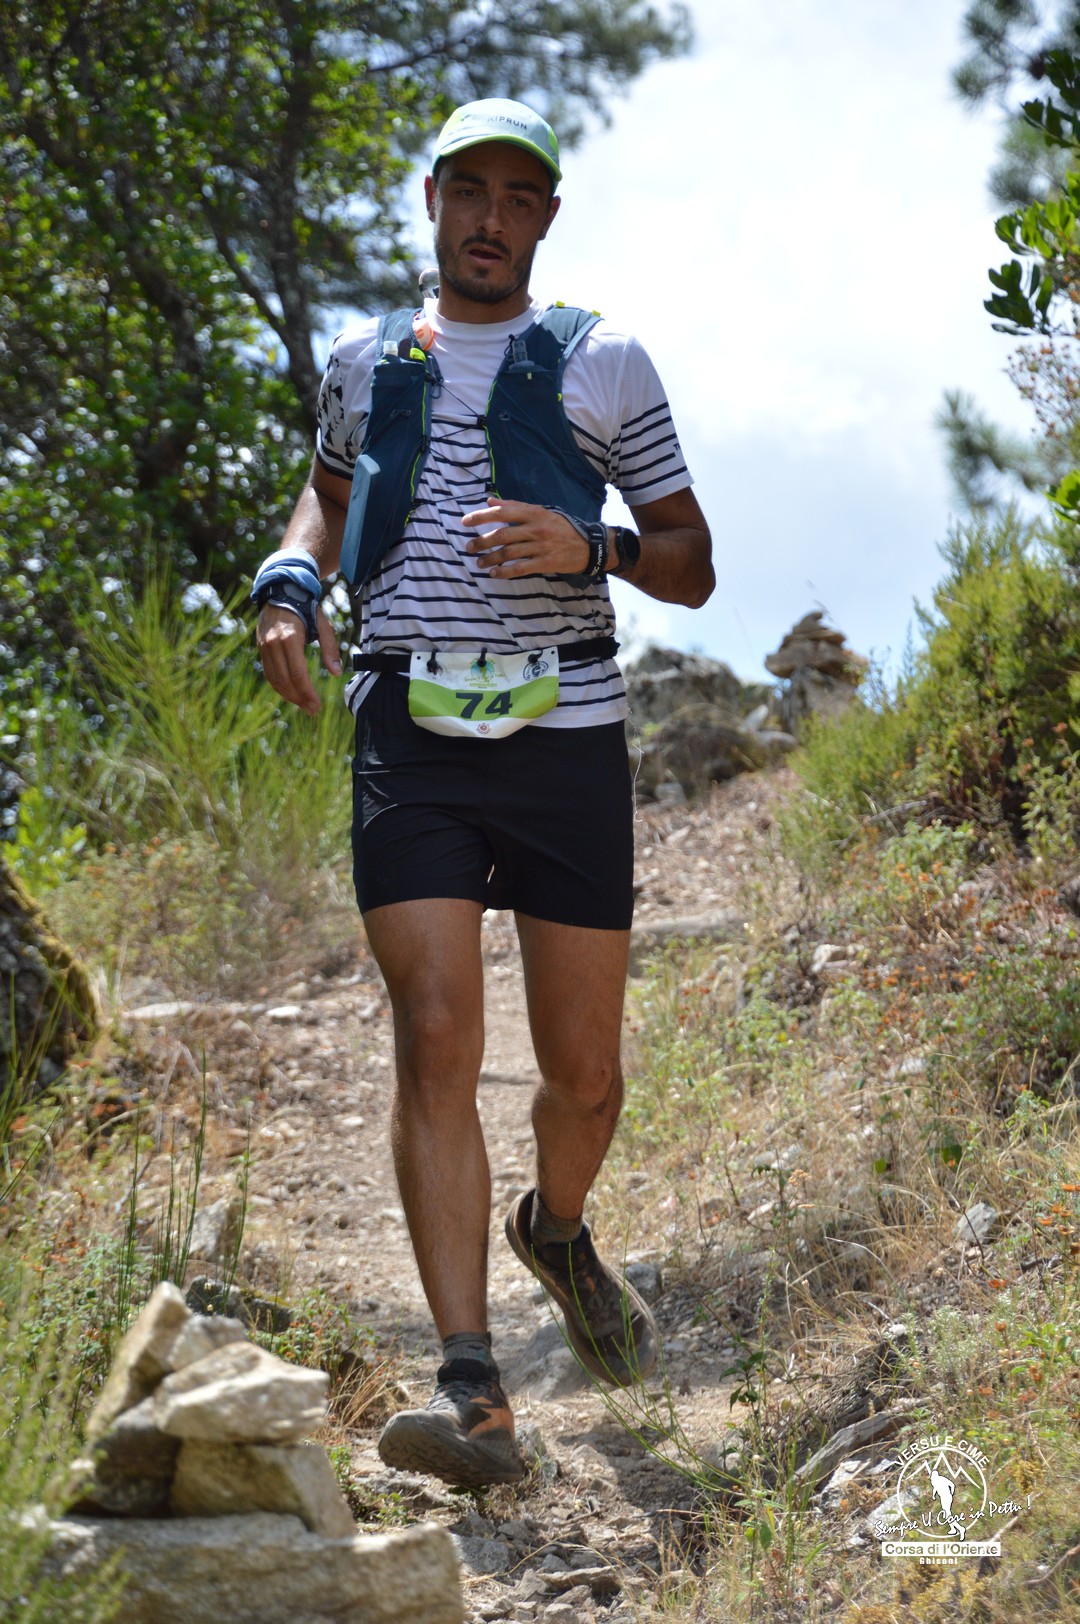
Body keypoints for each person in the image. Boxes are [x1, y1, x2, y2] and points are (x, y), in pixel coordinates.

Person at [254, 97, 714, 1489]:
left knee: (584, 1080)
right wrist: (290, 575)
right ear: (435, 200)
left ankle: (556, 1232)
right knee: (437, 1030)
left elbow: (692, 561)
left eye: (520, 199)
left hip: (566, 728)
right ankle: (472, 1392)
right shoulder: (364, 363)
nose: (491, 221)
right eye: (471, 192)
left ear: (547, 220)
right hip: (409, 726)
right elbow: (331, 495)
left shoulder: (606, 362)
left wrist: (593, 543)